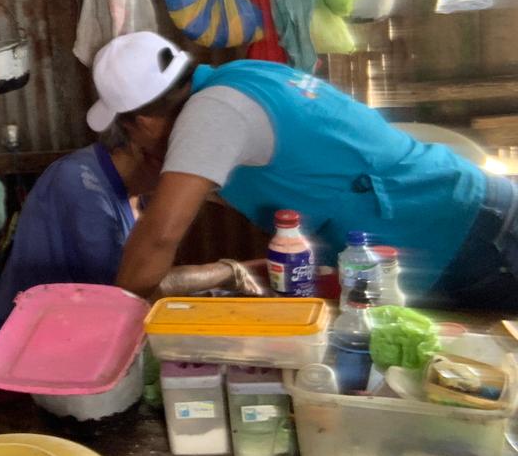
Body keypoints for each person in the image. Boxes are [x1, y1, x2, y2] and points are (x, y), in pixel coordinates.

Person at [88, 31, 518, 310]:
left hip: (473, 237)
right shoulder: (240, 77)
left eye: (131, 136)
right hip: (458, 223)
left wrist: (116, 317)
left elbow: (160, 234)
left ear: (142, 123)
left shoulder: (213, 112)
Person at [0, 139, 265, 349]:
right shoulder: (82, 188)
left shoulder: (122, 178)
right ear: (141, 142)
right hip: (16, 342)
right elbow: (129, 291)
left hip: (67, 329)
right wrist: (231, 272)